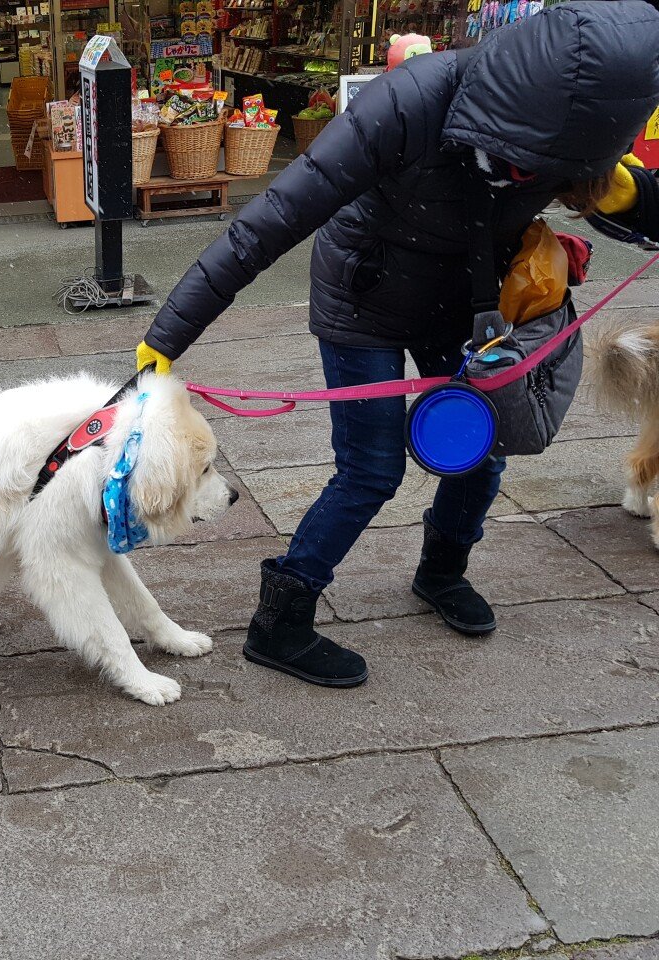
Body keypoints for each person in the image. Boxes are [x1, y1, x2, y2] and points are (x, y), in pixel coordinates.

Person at [135, 1, 659, 688]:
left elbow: (638, 209)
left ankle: (441, 572)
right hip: (364, 298)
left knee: (481, 450)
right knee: (371, 469)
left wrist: (631, 196)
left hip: (466, 298)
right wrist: (164, 341)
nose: (529, 174)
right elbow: (270, 221)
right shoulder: (409, 102)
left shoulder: (573, 134)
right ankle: (281, 621)